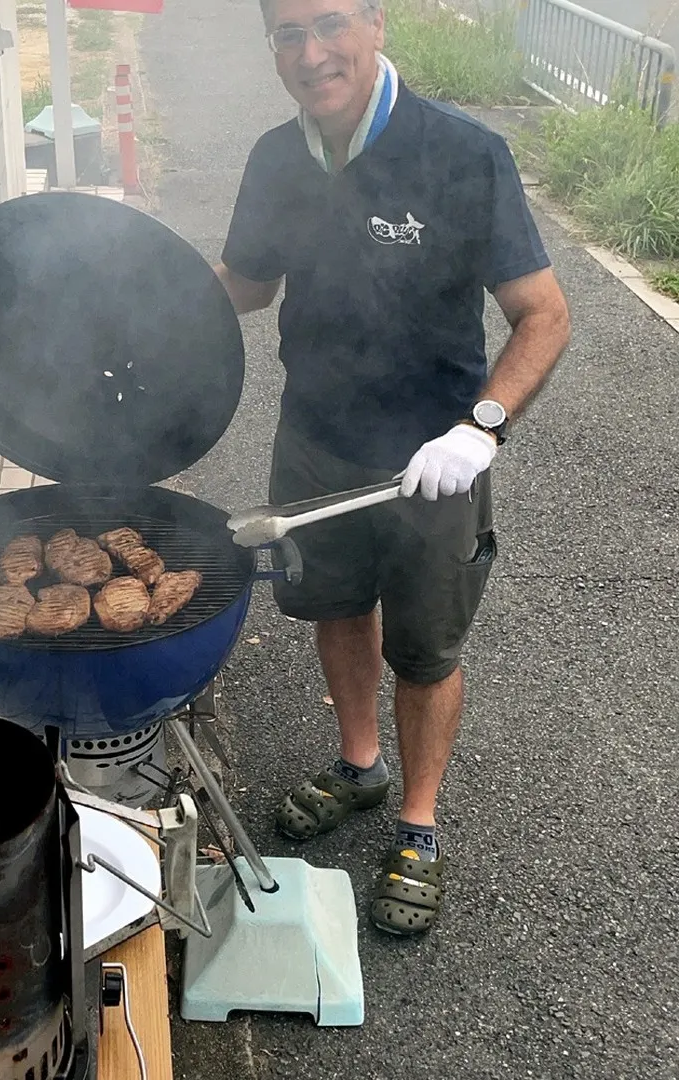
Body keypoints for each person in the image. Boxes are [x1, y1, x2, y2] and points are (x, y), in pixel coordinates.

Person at [215, 0, 571, 936]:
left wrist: (480, 428)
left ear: (375, 23)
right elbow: (247, 285)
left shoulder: (461, 152)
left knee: (425, 647)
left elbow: (545, 314)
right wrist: (142, 296)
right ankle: (358, 763)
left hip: (431, 461)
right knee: (335, 606)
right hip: (316, 438)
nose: (311, 52)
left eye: (329, 24)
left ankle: (418, 818)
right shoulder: (274, 157)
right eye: (287, 34)